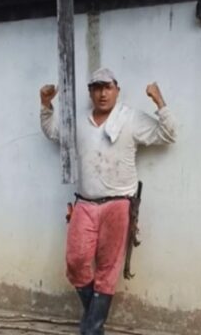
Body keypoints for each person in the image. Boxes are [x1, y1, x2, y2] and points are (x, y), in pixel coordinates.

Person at [39, 68, 176, 335]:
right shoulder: (79, 121)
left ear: (117, 90)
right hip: (85, 203)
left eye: (108, 87)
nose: (102, 93)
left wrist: (160, 102)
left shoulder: (131, 118)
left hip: (118, 203)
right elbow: (53, 131)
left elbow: (168, 135)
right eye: (97, 88)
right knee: (76, 261)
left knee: (107, 268)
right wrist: (46, 104)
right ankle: (93, 325)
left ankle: (91, 329)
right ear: (90, 92)